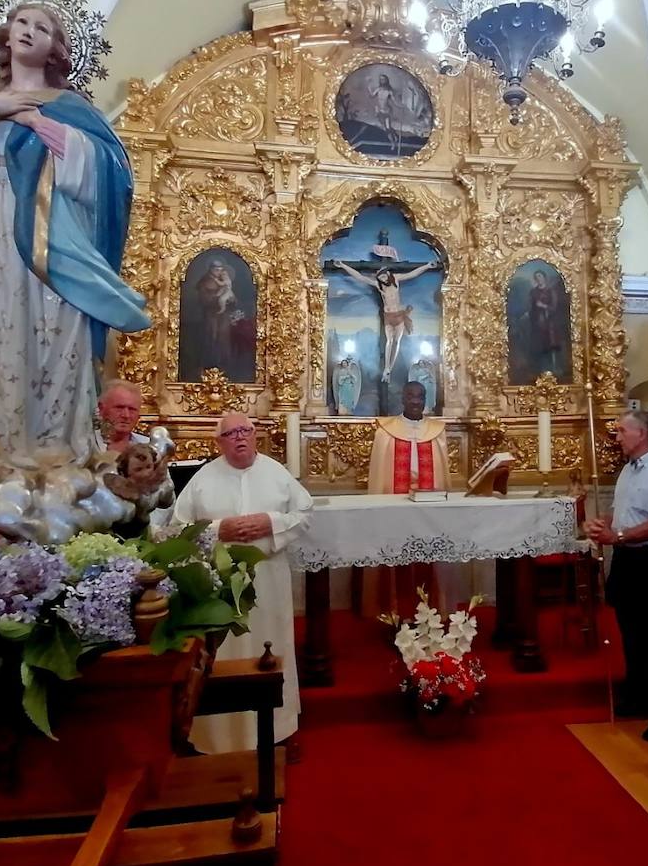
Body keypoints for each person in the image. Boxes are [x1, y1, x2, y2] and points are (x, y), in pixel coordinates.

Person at [0, 2, 148, 465]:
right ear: (8, 35)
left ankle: (49, 446)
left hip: (54, 238)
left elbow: (111, 173)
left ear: (54, 49)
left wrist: (34, 121)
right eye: (23, 23)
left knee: (50, 329)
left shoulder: (71, 108)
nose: (30, 32)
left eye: (43, 28)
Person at [172, 412, 313, 753]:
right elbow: (176, 528)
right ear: (219, 442)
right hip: (220, 586)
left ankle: (279, 730)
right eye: (231, 433)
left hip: (268, 580)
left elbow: (304, 514)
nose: (240, 438)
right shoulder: (204, 478)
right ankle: (220, 737)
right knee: (224, 654)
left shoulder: (276, 473)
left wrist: (269, 522)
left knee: (272, 647)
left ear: (254, 435)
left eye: (245, 431)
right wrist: (219, 530)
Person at [584, 411, 648, 743]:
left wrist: (619, 536)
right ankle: (639, 693)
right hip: (628, 557)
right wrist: (603, 523)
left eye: (622, 431)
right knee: (631, 631)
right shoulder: (629, 469)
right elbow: (622, 510)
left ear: (642, 434)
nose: (617, 437)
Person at [367, 381, 453, 609]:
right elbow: (379, 475)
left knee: (429, 557)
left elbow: (442, 472)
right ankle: (395, 612)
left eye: (420, 396)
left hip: (429, 507)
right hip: (395, 507)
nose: (416, 401)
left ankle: (432, 610)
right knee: (396, 559)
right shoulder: (386, 431)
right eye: (411, 396)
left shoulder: (437, 431)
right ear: (402, 398)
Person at [333, 259, 439, 381]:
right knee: (389, 341)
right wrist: (343, 265)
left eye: (383, 276)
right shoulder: (379, 285)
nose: (382, 279)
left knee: (397, 342)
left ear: (387, 274)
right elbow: (360, 277)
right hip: (388, 316)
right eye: (380, 277)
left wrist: (427, 265)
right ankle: (386, 368)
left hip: (398, 314)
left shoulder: (396, 279)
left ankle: (389, 369)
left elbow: (412, 274)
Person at [528, 269, 563, 374]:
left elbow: (554, 307)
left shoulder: (551, 291)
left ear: (544, 278)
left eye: (540, 277)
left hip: (550, 323)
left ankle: (555, 367)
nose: (539, 279)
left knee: (552, 345)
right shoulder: (533, 292)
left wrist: (543, 306)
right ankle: (541, 369)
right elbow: (531, 307)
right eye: (537, 277)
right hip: (538, 323)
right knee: (539, 345)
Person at [96, 379, 146, 455]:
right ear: (101, 409)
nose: (126, 415)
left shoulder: (148, 446)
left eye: (132, 409)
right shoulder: (85, 445)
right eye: (119, 408)